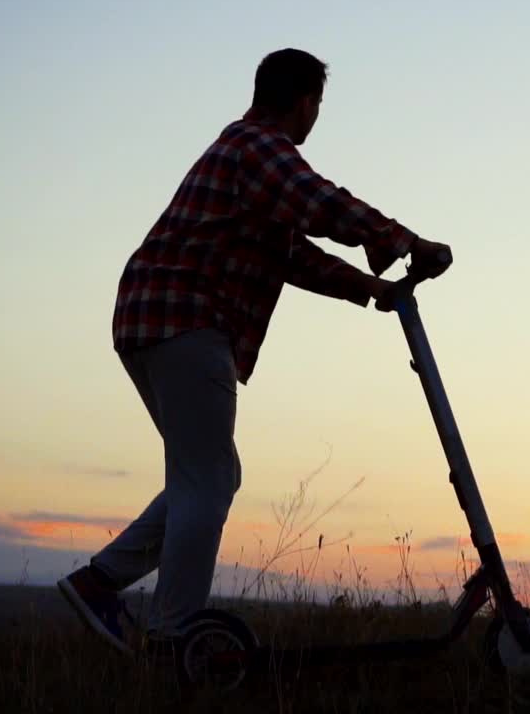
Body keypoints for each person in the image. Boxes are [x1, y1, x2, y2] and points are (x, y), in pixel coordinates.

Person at [56, 48, 450, 654]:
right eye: (317, 105)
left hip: (155, 317)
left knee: (209, 476)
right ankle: (170, 634)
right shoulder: (258, 147)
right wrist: (404, 241)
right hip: (185, 318)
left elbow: (288, 251)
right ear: (305, 102)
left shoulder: (243, 157)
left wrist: (367, 285)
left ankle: (100, 581)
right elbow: (318, 201)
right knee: (208, 480)